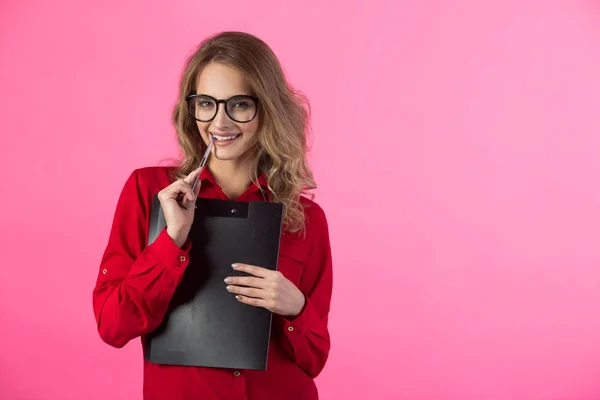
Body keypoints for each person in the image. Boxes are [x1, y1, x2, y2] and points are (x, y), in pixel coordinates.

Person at [92, 31, 333, 400]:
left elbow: (315, 358)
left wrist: (295, 306)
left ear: (267, 108)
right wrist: (170, 241)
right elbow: (113, 325)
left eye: (238, 104)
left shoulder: (306, 217)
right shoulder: (149, 192)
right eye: (206, 103)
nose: (219, 123)